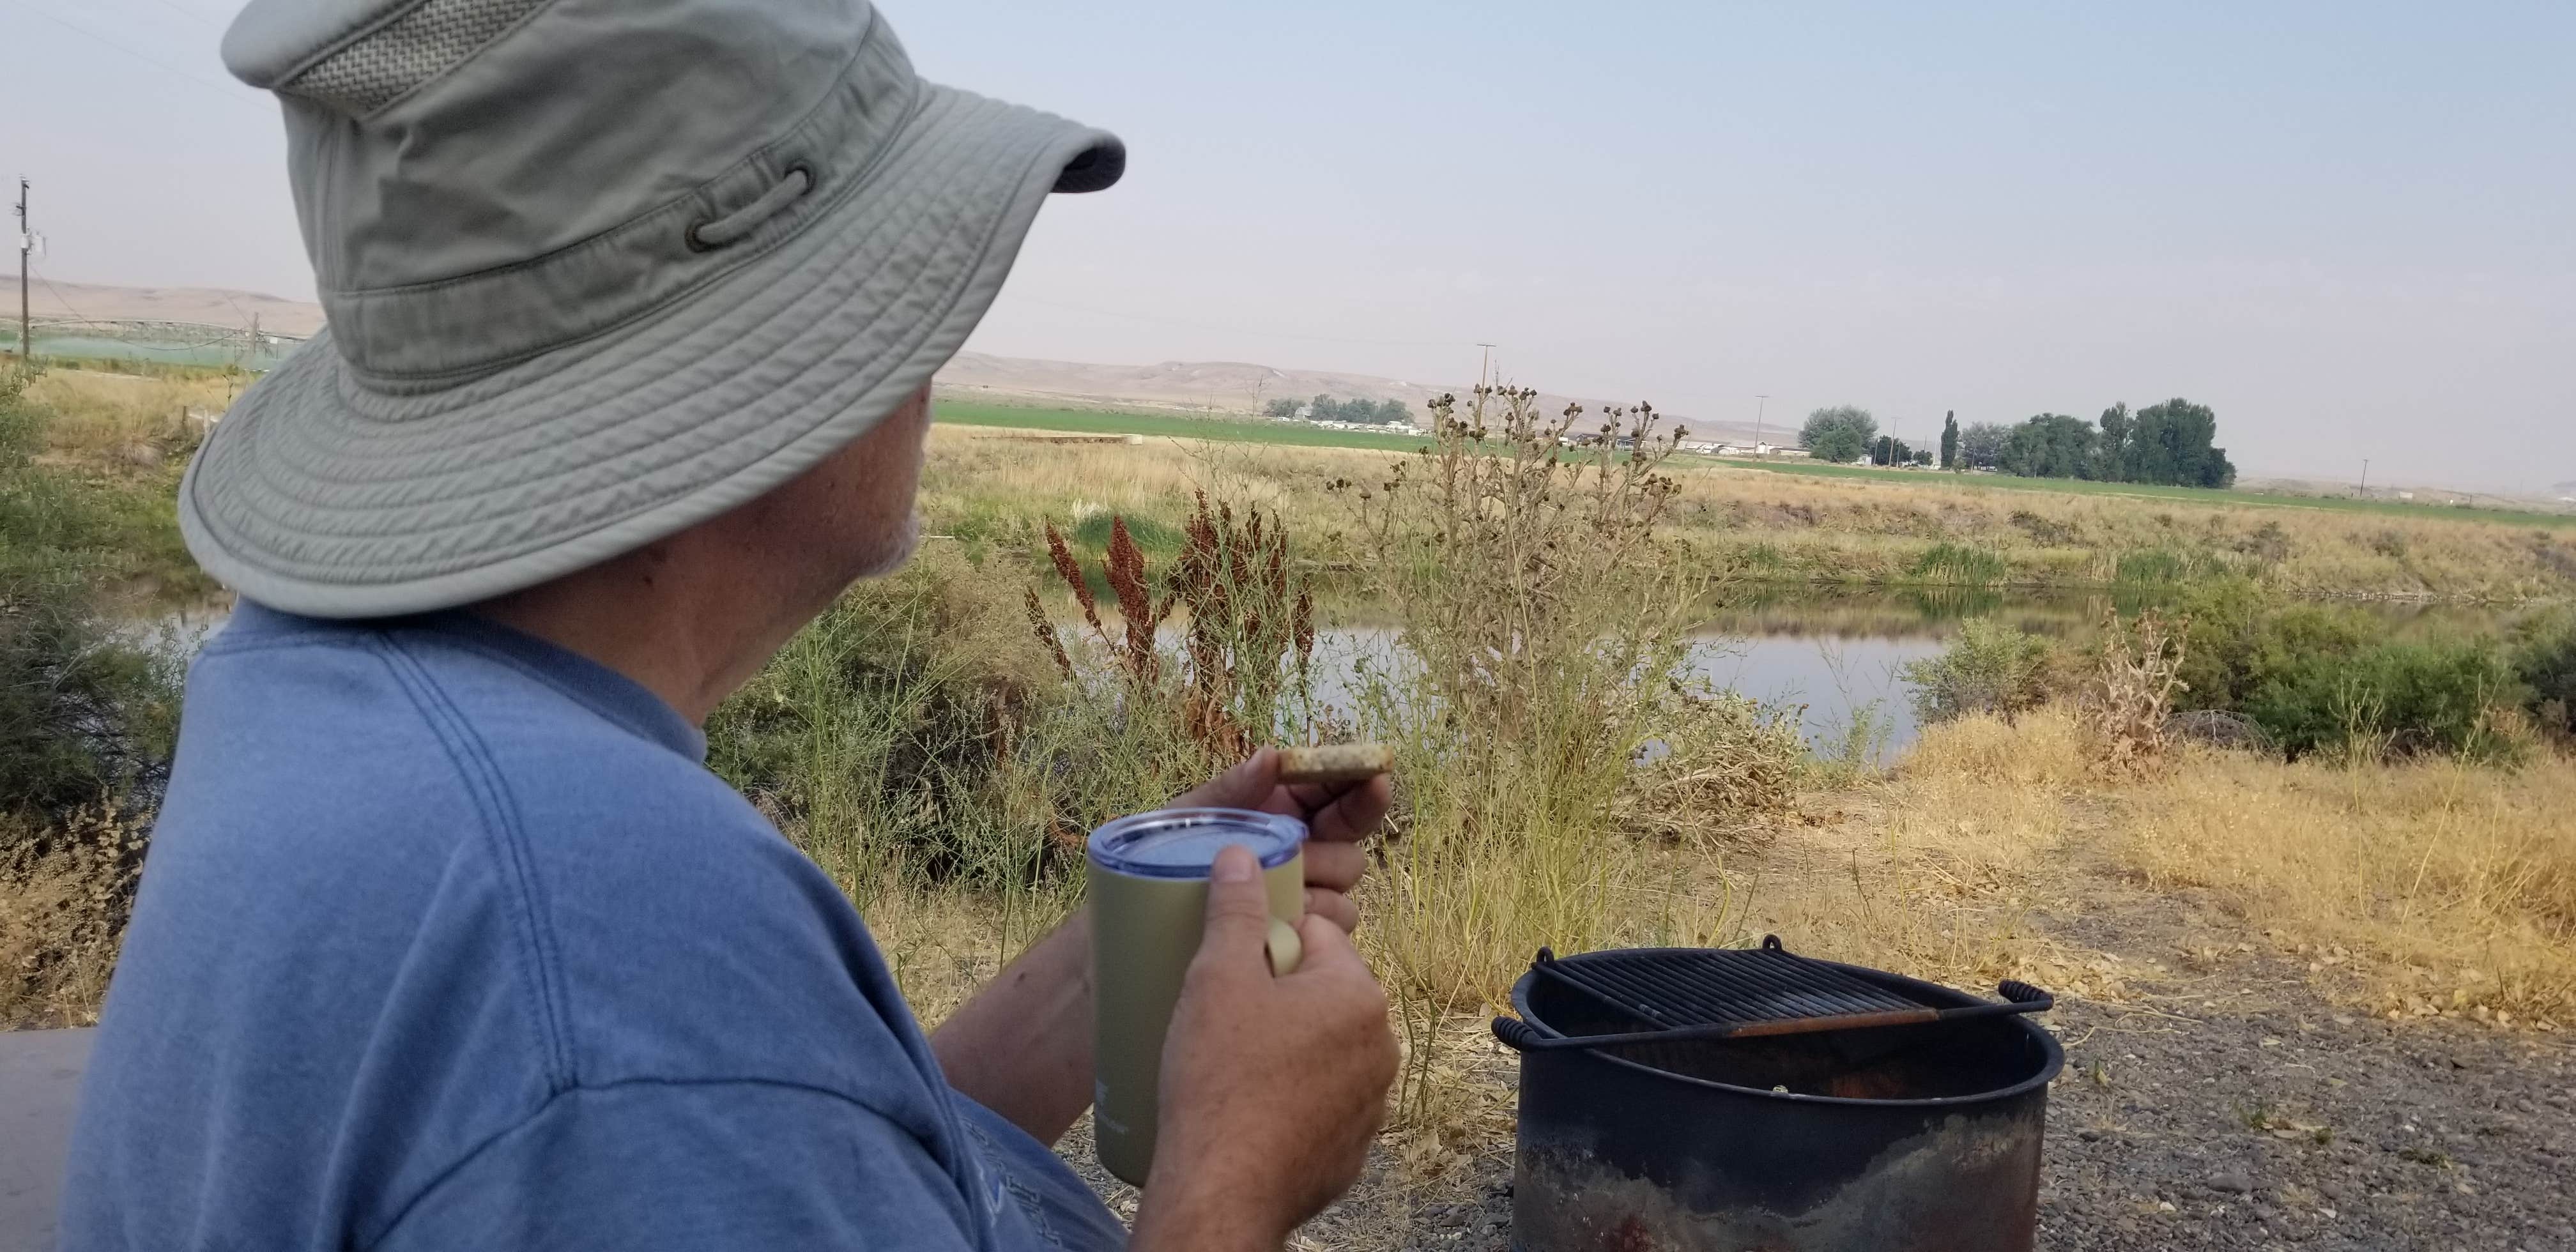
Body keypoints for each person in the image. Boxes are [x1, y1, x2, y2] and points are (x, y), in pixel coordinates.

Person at [58, 1, 1399, 1249]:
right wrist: (1236, 1171)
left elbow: (762, 1144)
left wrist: (1116, 966)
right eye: (906, 274)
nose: (936, 351)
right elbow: (651, 1080)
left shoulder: (344, 704)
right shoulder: (603, 932)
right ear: (760, 352)